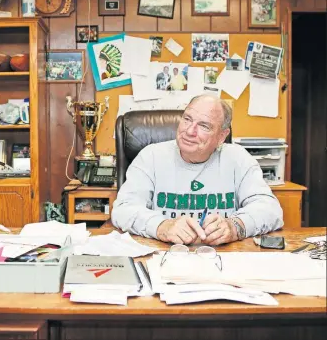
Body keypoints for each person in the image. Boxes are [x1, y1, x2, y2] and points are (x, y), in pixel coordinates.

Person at [111, 94, 283, 246]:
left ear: (222, 136)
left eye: (204, 126)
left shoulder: (238, 158)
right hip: (164, 257)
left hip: (222, 259)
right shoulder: (151, 156)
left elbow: (271, 210)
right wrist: (162, 226)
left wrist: (235, 226)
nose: (189, 131)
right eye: (187, 119)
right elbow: (123, 209)